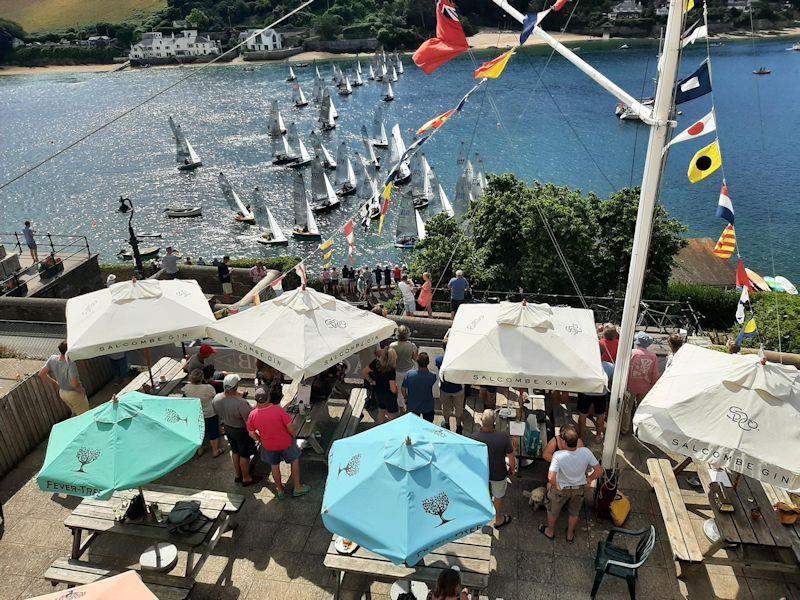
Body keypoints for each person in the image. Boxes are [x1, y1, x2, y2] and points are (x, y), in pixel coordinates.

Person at [540, 426, 603, 543]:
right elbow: (599, 471)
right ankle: (569, 534)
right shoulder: (586, 452)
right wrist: (589, 479)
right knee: (574, 512)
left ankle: (550, 531)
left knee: (553, 510)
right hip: (579, 488)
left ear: (564, 441)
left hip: (561, 489)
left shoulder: (558, 456)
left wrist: (556, 485)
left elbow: (551, 477)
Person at [246, 385, 311, 498]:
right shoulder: (278, 410)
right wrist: (294, 436)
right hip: (286, 442)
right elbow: (290, 426)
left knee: (274, 466)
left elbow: (251, 433)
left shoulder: (253, 415)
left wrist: (260, 440)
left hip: (268, 446)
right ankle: (297, 487)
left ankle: (280, 490)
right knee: (294, 462)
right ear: (268, 397)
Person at [212, 374, 261, 487]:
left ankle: (238, 474)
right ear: (236, 386)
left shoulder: (217, 398)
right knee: (245, 455)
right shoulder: (241, 403)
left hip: (228, 427)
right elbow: (249, 421)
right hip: (241, 430)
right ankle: (246, 478)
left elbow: (217, 412)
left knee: (235, 452)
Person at [472, 409, 515, 529]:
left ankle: (480, 517)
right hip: (499, 473)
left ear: (481, 421)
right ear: (494, 422)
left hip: (481, 473)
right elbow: (511, 459)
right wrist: (512, 470)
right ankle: (498, 519)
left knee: (481, 495)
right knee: (498, 496)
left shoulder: (474, 437)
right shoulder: (503, 437)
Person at [38, 341, 89, 416]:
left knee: (74, 413)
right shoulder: (70, 364)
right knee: (85, 416)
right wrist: (81, 390)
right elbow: (74, 383)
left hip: (62, 393)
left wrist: (56, 383)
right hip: (74, 394)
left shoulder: (52, 359)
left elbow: (41, 374)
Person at [183, 368, 224, 457]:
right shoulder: (208, 388)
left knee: (198, 432)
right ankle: (215, 450)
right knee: (213, 431)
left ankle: (200, 449)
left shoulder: (186, 388)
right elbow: (214, 396)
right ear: (202, 378)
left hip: (195, 413)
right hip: (209, 413)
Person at [577, 360, 614, 443]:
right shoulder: (610, 366)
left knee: (583, 415)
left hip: (586, 392)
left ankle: (581, 437)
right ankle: (598, 436)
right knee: (601, 416)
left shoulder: (584, 365)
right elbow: (611, 380)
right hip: (602, 393)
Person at [363, 347, 398, 423]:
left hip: (377, 392)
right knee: (391, 415)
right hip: (389, 394)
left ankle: (380, 428)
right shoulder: (391, 369)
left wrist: (371, 381)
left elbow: (365, 372)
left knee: (381, 411)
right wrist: (396, 390)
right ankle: (391, 432)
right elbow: (393, 388)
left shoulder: (375, 362)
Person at [435, 343, 464, 434]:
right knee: (459, 408)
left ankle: (447, 424)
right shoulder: (459, 360)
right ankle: (458, 426)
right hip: (457, 388)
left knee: (445, 408)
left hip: (445, 388)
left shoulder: (439, 360)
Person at [401, 353, 437, 422]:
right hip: (428, 406)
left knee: (413, 427)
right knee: (428, 427)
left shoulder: (409, 374)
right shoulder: (433, 376)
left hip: (413, 405)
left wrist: (406, 398)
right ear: (428, 362)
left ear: (417, 362)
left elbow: (403, 389)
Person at [390, 325, 417, 412]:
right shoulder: (412, 345)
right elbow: (415, 358)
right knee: (411, 390)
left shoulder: (392, 346)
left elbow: (391, 360)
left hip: (397, 371)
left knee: (399, 390)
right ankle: (410, 406)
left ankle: (401, 407)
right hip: (410, 371)